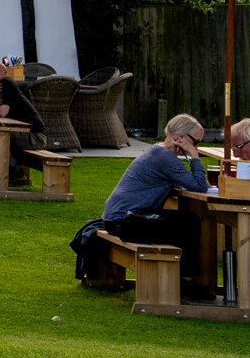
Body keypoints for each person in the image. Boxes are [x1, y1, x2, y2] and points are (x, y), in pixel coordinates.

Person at [75, 114, 211, 291]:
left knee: (185, 221)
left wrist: (193, 176)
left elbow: (191, 183)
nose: (196, 147)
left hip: (122, 218)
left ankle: (182, 279)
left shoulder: (158, 151)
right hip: (125, 221)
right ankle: (185, 282)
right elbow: (200, 187)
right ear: (180, 137)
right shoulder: (164, 157)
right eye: (195, 142)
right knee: (189, 223)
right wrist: (194, 156)